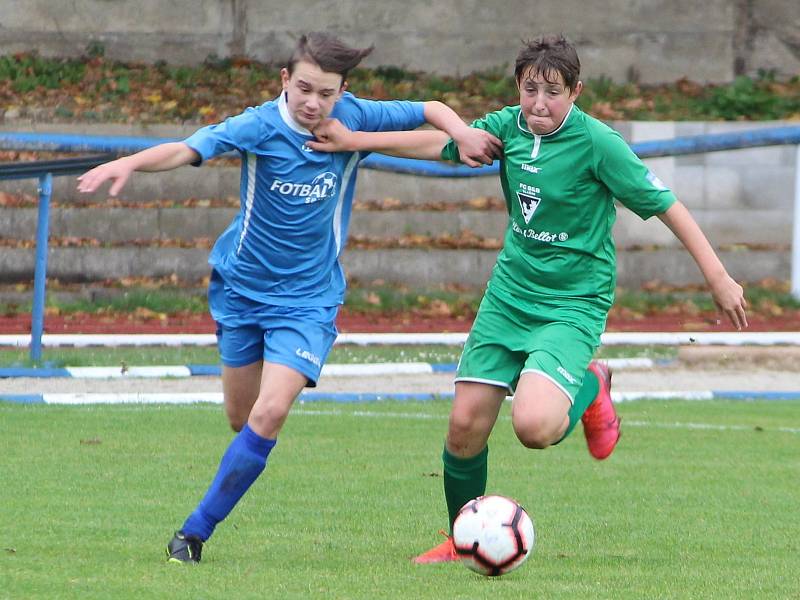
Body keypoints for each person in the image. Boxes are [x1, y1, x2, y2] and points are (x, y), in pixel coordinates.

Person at [307, 33, 748, 563]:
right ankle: (460, 537)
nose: (539, 104)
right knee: (464, 425)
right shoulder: (506, 128)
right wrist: (356, 142)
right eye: (530, 89)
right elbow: (443, 145)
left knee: (534, 429)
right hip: (511, 293)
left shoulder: (597, 144)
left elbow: (666, 206)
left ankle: (592, 383)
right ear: (519, 85)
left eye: (553, 93)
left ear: (576, 92)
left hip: (573, 300)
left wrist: (719, 277)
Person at [77, 32, 502, 564]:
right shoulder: (258, 124)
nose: (312, 103)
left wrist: (461, 132)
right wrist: (130, 164)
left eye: (325, 93)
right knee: (242, 416)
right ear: (284, 80)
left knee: (269, 413)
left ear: (342, 90)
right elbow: (188, 148)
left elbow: (431, 108)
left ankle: (192, 534)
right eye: (303, 88)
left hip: (308, 299)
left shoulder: (357, 118)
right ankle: (230, 473)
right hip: (241, 290)